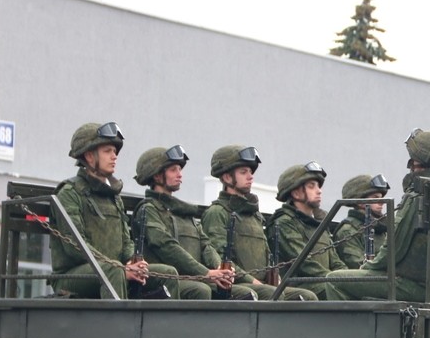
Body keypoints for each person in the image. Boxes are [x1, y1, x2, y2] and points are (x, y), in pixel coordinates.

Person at [327, 129, 430, 302]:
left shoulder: (419, 196)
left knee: (333, 280)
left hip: (415, 285)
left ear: (420, 164)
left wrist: (370, 267)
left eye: (413, 162)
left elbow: (394, 250)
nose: (410, 168)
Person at [50, 121, 179, 299]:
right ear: (89, 156)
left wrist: (134, 261)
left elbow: (126, 241)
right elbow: (76, 248)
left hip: (110, 269)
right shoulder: (70, 193)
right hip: (72, 276)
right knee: (113, 272)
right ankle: (120, 326)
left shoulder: (113, 196)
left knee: (168, 273)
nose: (114, 156)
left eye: (115, 151)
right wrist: (121, 268)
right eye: (107, 151)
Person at [200, 145, 317, 302]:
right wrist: (251, 281)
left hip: (261, 284)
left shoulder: (254, 215)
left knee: (308, 297)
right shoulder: (217, 213)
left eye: (250, 172)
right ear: (227, 178)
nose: (250, 176)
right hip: (237, 284)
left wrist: (275, 278)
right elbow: (219, 258)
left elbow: (266, 254)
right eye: (243, 172)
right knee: (271, 294)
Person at [134, 145, 247, 301]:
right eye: (173, 170)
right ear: (157, 176)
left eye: (180, 169)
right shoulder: (148, 210)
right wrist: (206, 273)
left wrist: (220, 269)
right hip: (162, 280)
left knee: (244, 294)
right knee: (200, 290)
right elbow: (167, 247)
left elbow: (206, 245)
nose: (180, 175)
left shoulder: (183, 212)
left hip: (193, 277)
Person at [271, 162, 346, 299]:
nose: (319, 190)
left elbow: (335, 262)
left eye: (318, 185)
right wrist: (336, 280)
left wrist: (349, 278)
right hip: (298, 286)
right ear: (296, 193)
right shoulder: (284, 222)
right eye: (311, 186)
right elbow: (303, 263)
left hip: (323, 283)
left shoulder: (319, 224)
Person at [335, 174, 392, 269]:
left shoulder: (382, 229)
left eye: (381, 197)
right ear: (360, 202)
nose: (382, 201)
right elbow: (359, 267)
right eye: (375, 198)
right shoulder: (348, 231)